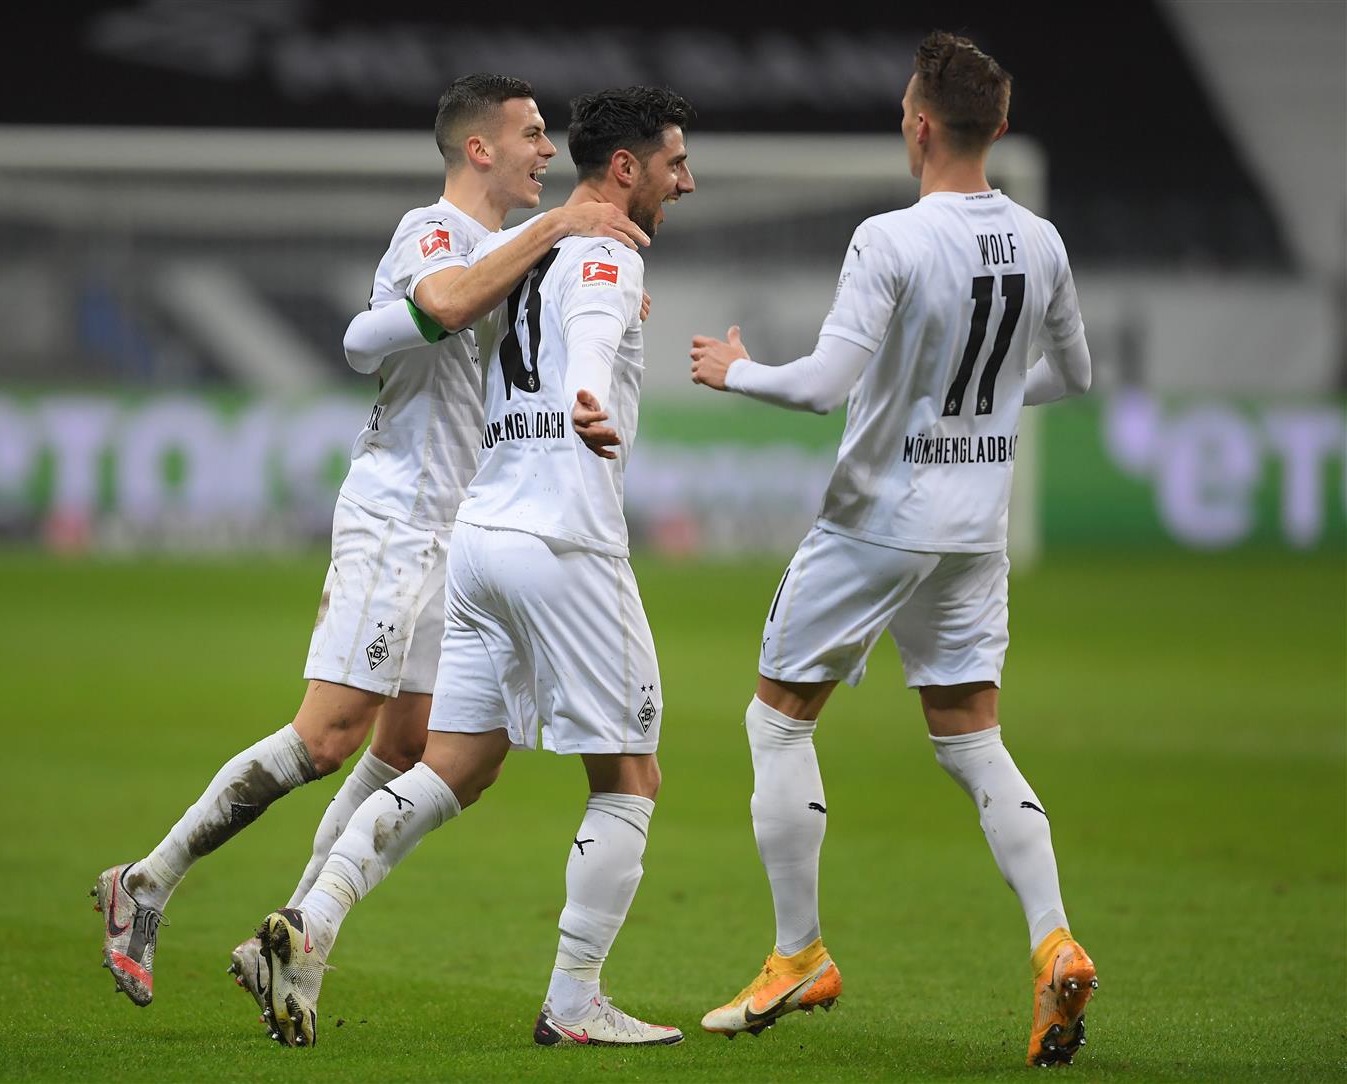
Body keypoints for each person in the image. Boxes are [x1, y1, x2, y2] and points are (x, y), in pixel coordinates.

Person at [92, 73, 648, 1010]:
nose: (548, 154)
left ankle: (293, 934)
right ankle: (144, 880)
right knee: (327, 738)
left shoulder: (520, 245)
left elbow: (396, 335)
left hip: (464, 528)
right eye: (532, 135)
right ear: (481, 149)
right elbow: (447, 303)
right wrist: (561, 226)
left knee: (419, 748)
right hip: (397, 517)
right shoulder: (432, 230)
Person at [250, 85, 696, 1050]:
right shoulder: (604, 246)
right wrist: (588, 394)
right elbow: (590, 341)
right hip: (565, 540)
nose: (685, 181)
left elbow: (496, 325)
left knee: (457, 760)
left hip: (481, 539)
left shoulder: (519, 257)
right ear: (625, 169)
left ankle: (310, 920)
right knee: (632, 776)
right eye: (673, 164)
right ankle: (576, 1001)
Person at [687, 32, 1097, 1068]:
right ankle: (1052, 936)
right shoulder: (1039, 240)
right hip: (973, 530)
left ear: (915, 125)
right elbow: (1074, 374)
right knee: (968, 738)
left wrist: (733, 370)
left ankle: (797, 954)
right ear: (995, 128)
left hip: (875, 518)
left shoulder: (889, 239)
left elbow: (824, 385)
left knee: (775, 721)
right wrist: (986, 407)